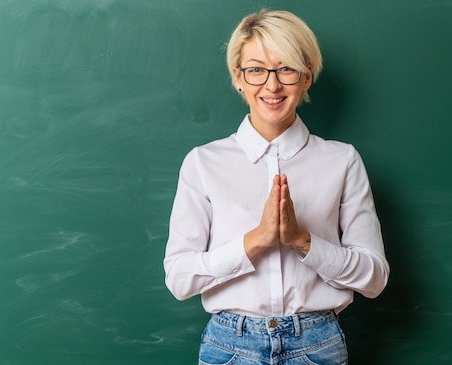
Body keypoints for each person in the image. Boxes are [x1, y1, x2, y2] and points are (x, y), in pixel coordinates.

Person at [164, 9, 389, 365]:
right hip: (230, 345)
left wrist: (303, 241)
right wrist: (256, 241)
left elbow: (374, 278)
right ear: (238, 78)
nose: (271, 85)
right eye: (256, 70)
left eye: (286, 68)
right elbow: (179, 279)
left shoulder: (342, 161)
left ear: (306, 77)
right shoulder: (203, 162)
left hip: (317, 344)